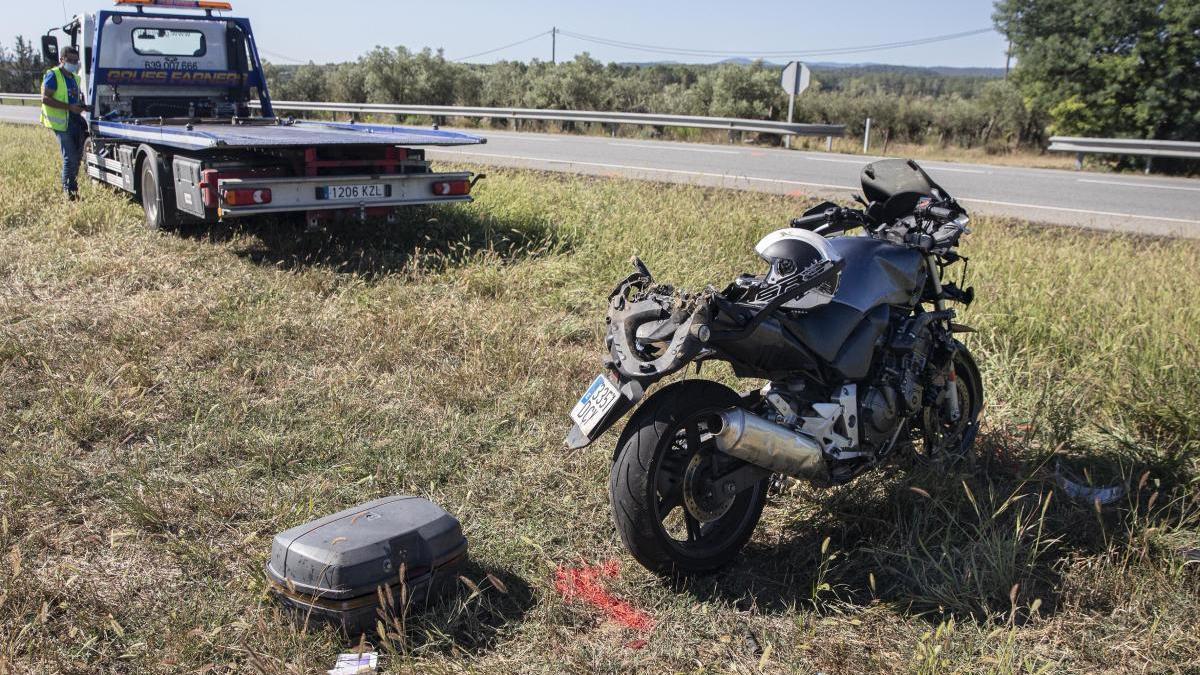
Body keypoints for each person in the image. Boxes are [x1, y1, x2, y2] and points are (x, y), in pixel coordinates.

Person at [41, 46, 88, 201]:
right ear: (62, 60)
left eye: (76, 61)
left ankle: (72, 188)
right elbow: (45, 99)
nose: (74, 63)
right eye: (70, 60)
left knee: (77, 158)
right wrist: (69, 107)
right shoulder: (53, 75)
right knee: (70, 158)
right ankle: (70, 193)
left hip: (74, 121)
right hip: (61, 124)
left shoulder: (75, 78)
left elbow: (74, 99)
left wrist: (81, 107)